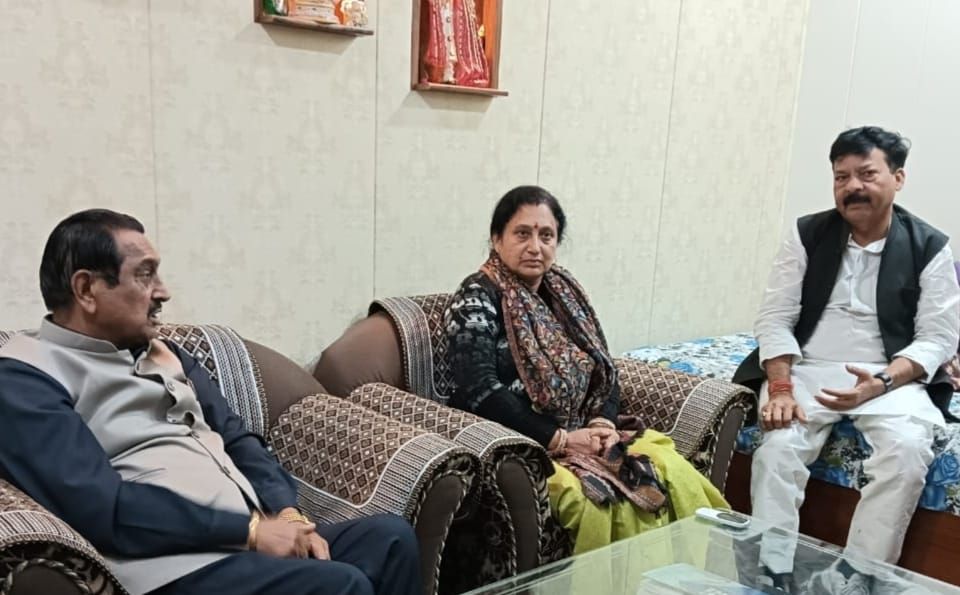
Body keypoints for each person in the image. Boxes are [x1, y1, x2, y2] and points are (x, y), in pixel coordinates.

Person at [0, 209, 423, 595]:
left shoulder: (166, 353)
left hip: (245, 540)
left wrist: (287, 512)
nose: (163, 292)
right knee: (339, 586)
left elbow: (240, 441)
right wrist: (249, 531)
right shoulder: (26, 377)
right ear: (86, 289)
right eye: (145, 275)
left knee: (389, 539)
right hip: (169, 565)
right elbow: (102, 507)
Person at [733, 126, 960, 592]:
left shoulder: (930, 246)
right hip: (808, 368)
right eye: (841, 177)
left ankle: (857, 575)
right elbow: (775, 317)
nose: (852, 186)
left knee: (906, 452)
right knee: (777, 448)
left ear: (898, 178)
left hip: (890, 377)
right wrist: (780, 387)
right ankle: (771, 573)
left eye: (866, 174)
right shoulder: (807, 234)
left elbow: (938, 337)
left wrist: (883, 381)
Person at [444, 185, 728, 554]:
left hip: (585, 434)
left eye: (546, 236)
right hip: (523, 444)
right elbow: (478, 389)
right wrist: (560, 439)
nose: (535, 247)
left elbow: (603, 367)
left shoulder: (563, 293)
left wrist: (602, 423)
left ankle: (692, 575)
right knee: (603, 504)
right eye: (522, 233)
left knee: (673, 471)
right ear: (497, 239)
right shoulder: (476, 296)